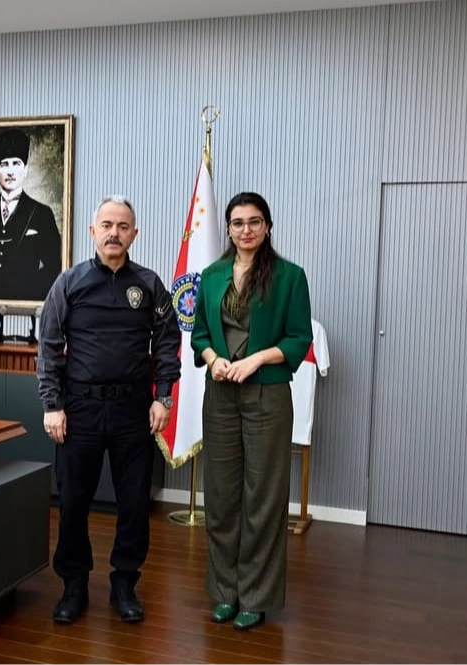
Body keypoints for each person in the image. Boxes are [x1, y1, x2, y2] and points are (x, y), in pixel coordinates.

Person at [37, 195, 181, 624]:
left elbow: (168, 341)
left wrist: (164, 397)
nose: (113, 233)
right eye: (106, 225)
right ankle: (74, 585)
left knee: (134, 502)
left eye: (122, 226)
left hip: (133, 409)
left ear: (134, 234)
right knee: (73, 501)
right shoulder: (70, 282)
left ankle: (124, 584)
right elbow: (49, 346)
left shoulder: (150, 285)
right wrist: (52, 405)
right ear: (92, 231)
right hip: (79, 408)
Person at [190, 191, 312, 631]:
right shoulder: (212, 275)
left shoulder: (290, 277)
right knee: (222, 497)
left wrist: (256, 359)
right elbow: (199, 335)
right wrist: (213, 360)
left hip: (267, 396)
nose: (246, 230)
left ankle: (255, 598)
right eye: (238, 222)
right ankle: (226, 592)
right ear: (228, 228)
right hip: (220, 395)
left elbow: (299, 338)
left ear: (267, 226)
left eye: (254, 222)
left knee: (263, 498)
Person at [0, 128, 62, 301]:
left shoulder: (42, 214)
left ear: (25, 170)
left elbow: (53, 266)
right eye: (4, 165)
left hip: (27, 303)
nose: (10, 171)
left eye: (16, 163)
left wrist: (27, 293)